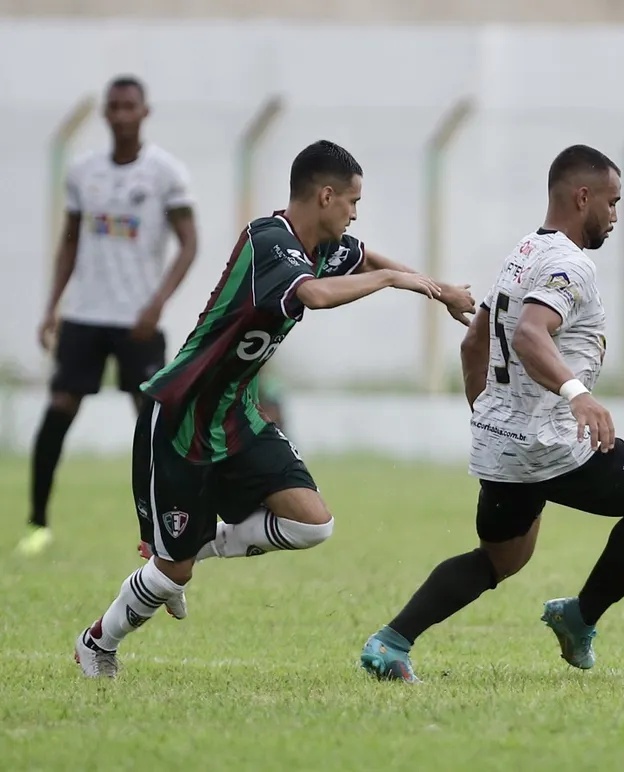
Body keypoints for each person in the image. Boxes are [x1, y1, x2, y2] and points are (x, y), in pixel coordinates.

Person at [74, 139, 475, 678]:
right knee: (172, 576)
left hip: (236, 415)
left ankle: (198, 544)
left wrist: (437, 289)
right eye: (353, 201)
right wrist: (393, 282)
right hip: (181, 416)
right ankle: (97, 643)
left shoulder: (323, 243)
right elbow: (315, 296)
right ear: (326, 196)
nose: (356, 213)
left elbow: (364, 256)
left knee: (313, 524)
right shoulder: (269, 241)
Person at [360, 145, 624, 683]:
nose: (615, 215)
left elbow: (474, 342)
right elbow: (528, 333)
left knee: (500, 559)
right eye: (611, 203)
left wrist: (489, 414)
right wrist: (576, 394)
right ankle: (580, 616)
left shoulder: (524, 252)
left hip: (504, 444)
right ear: (581, 196)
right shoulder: (570, 263)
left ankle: (390, 642)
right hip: (553, 445)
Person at [18, 75, 198, 556]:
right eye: (113, 107)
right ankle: (37, 522)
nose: (120, 115)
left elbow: (189, 243)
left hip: (138, 320)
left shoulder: (166, 173)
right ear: (104, 113)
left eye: (129, 107)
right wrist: (52, 307)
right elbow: (70, 241)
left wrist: (158, 302)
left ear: (144, 112)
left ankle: (168, 528)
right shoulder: (83, 172)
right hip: (85, 317)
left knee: (153, 422)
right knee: (59, 410)